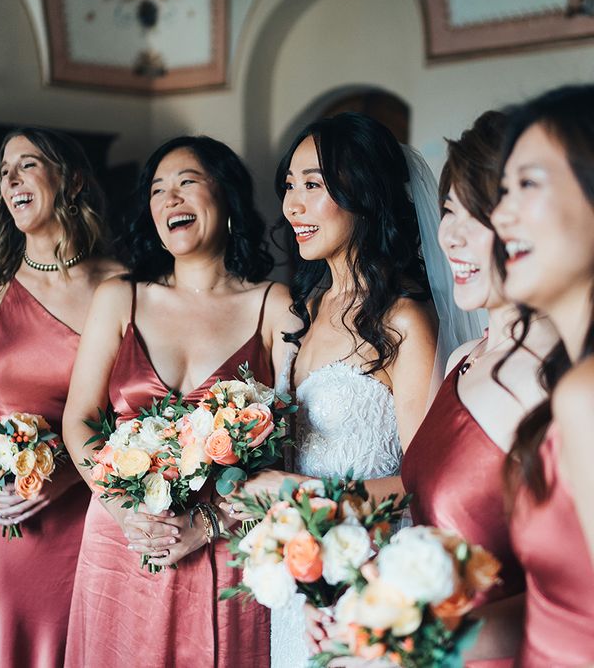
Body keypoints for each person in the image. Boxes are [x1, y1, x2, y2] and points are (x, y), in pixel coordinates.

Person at [61, 135, 300, 668]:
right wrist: (123, 510)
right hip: (124, 538)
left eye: (187, 182)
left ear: (228, 195)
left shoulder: (273, 306)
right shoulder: (119, 296)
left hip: (225, 541)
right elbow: (78, 419)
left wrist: (210, 523)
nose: (169, 198)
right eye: (157, 190)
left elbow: (293, 447)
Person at [233, 113, 442, 668]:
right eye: (289, 186)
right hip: (302, 576)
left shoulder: (403, 324)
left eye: (312, 185)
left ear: (363, 194)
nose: (291, 206)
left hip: (370, 576)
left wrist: (303, 493)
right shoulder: (300, 314)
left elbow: (422, 485)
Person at [0, 127, 121, 668]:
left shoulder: (122, 284)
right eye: (4, 171)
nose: (10, 179)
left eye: (28, 165)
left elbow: (134, 406)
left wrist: (72, 473)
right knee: (14, 640)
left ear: (72, 182)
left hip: (89, 499)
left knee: (89, 639)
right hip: (6, 511)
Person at [399, 112, 557, 667]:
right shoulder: (464, 360)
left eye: (480, 215)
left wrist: (420, 640)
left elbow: (571, 599)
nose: (452, 236)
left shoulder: (555, 382)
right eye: (449, 210)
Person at [490, 84, 594, 667]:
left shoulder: (587, 395)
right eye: (502, 191)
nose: (500, 214)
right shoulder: (572, 384)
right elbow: (566, 606)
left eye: (527, 184)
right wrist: (416, 636)